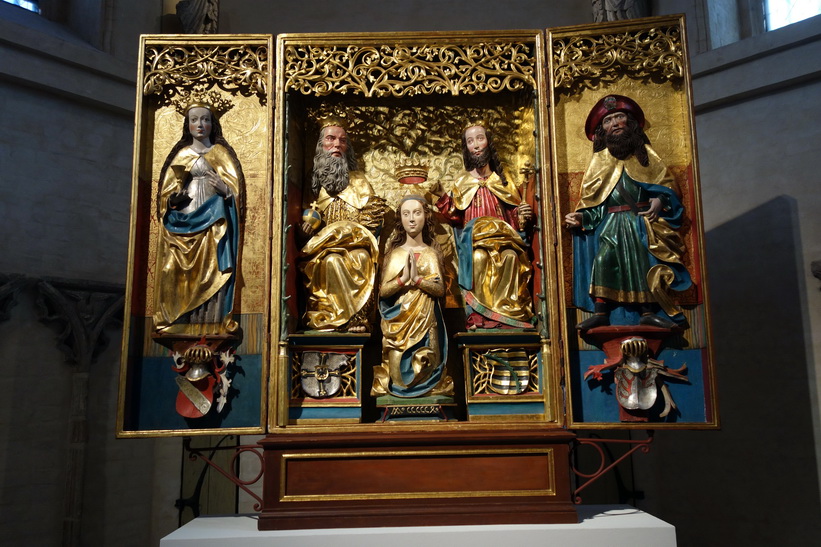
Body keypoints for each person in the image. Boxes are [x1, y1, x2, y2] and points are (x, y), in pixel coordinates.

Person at [564, 95, 691, 329]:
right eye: (608, 120)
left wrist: (660, 200)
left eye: (619, 117)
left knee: (641, 263)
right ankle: (601, 312)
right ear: (602, 130)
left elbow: (668, 186)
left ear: (630, 122)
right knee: (603, 260)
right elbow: (595, 203)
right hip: (611, 223)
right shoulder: (598, 162)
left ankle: (647, 311)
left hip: (640, 222)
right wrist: (581, 217)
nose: (614, 123)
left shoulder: (646, 156)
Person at [153, 90, 243, 333]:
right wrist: (173, 200)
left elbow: (235, 191)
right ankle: (181, 318)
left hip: (213, 219)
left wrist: (226, 190)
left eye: (205, 119)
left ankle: (212, 319)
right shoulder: (182, 155)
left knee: (211, 266)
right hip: (186, 216)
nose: (200, 124)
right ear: (187, 125)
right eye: (194, 120)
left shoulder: (221, 154)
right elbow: (166, 195)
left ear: (213, 124)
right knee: (179, 267)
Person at [436, 121, 535, 329]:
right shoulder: (462, 182)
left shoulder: (502, 179)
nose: (476, 145)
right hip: (475, 240)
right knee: (478, 258)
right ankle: (479, 315)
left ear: (488, 142)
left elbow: (513, 213)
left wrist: (521, 214)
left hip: (503, 237)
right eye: (470, 141)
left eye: (480, 139)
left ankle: (508, 313)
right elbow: (455, 216)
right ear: (466, 147)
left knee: (510, 257)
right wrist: (441, 197)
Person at [299, 119, 386, 332]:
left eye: (342, 140)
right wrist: (305, 230)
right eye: (331, 139)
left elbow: (373, 213)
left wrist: (356, 230)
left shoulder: (358, 180)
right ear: (320, 145)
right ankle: (331, 318)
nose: (337, 144)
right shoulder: (312, 181)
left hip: (355, 243)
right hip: (322, 248)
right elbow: (302, 216)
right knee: (331, 261)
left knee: (362, 258)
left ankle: (358, 319)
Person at [372, 195, 453, 398]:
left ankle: (428, 388)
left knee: (427, 362)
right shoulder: (395, 254)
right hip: (399, 321)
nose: (411, 219)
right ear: (400, 219)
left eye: (417, 213)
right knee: (398, 373)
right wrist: (402, 280)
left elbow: (440, 290)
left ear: (426, 217)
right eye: (406, 214)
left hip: (426, 319)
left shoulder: (430, 253)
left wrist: (417, 280)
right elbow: (383, 292)